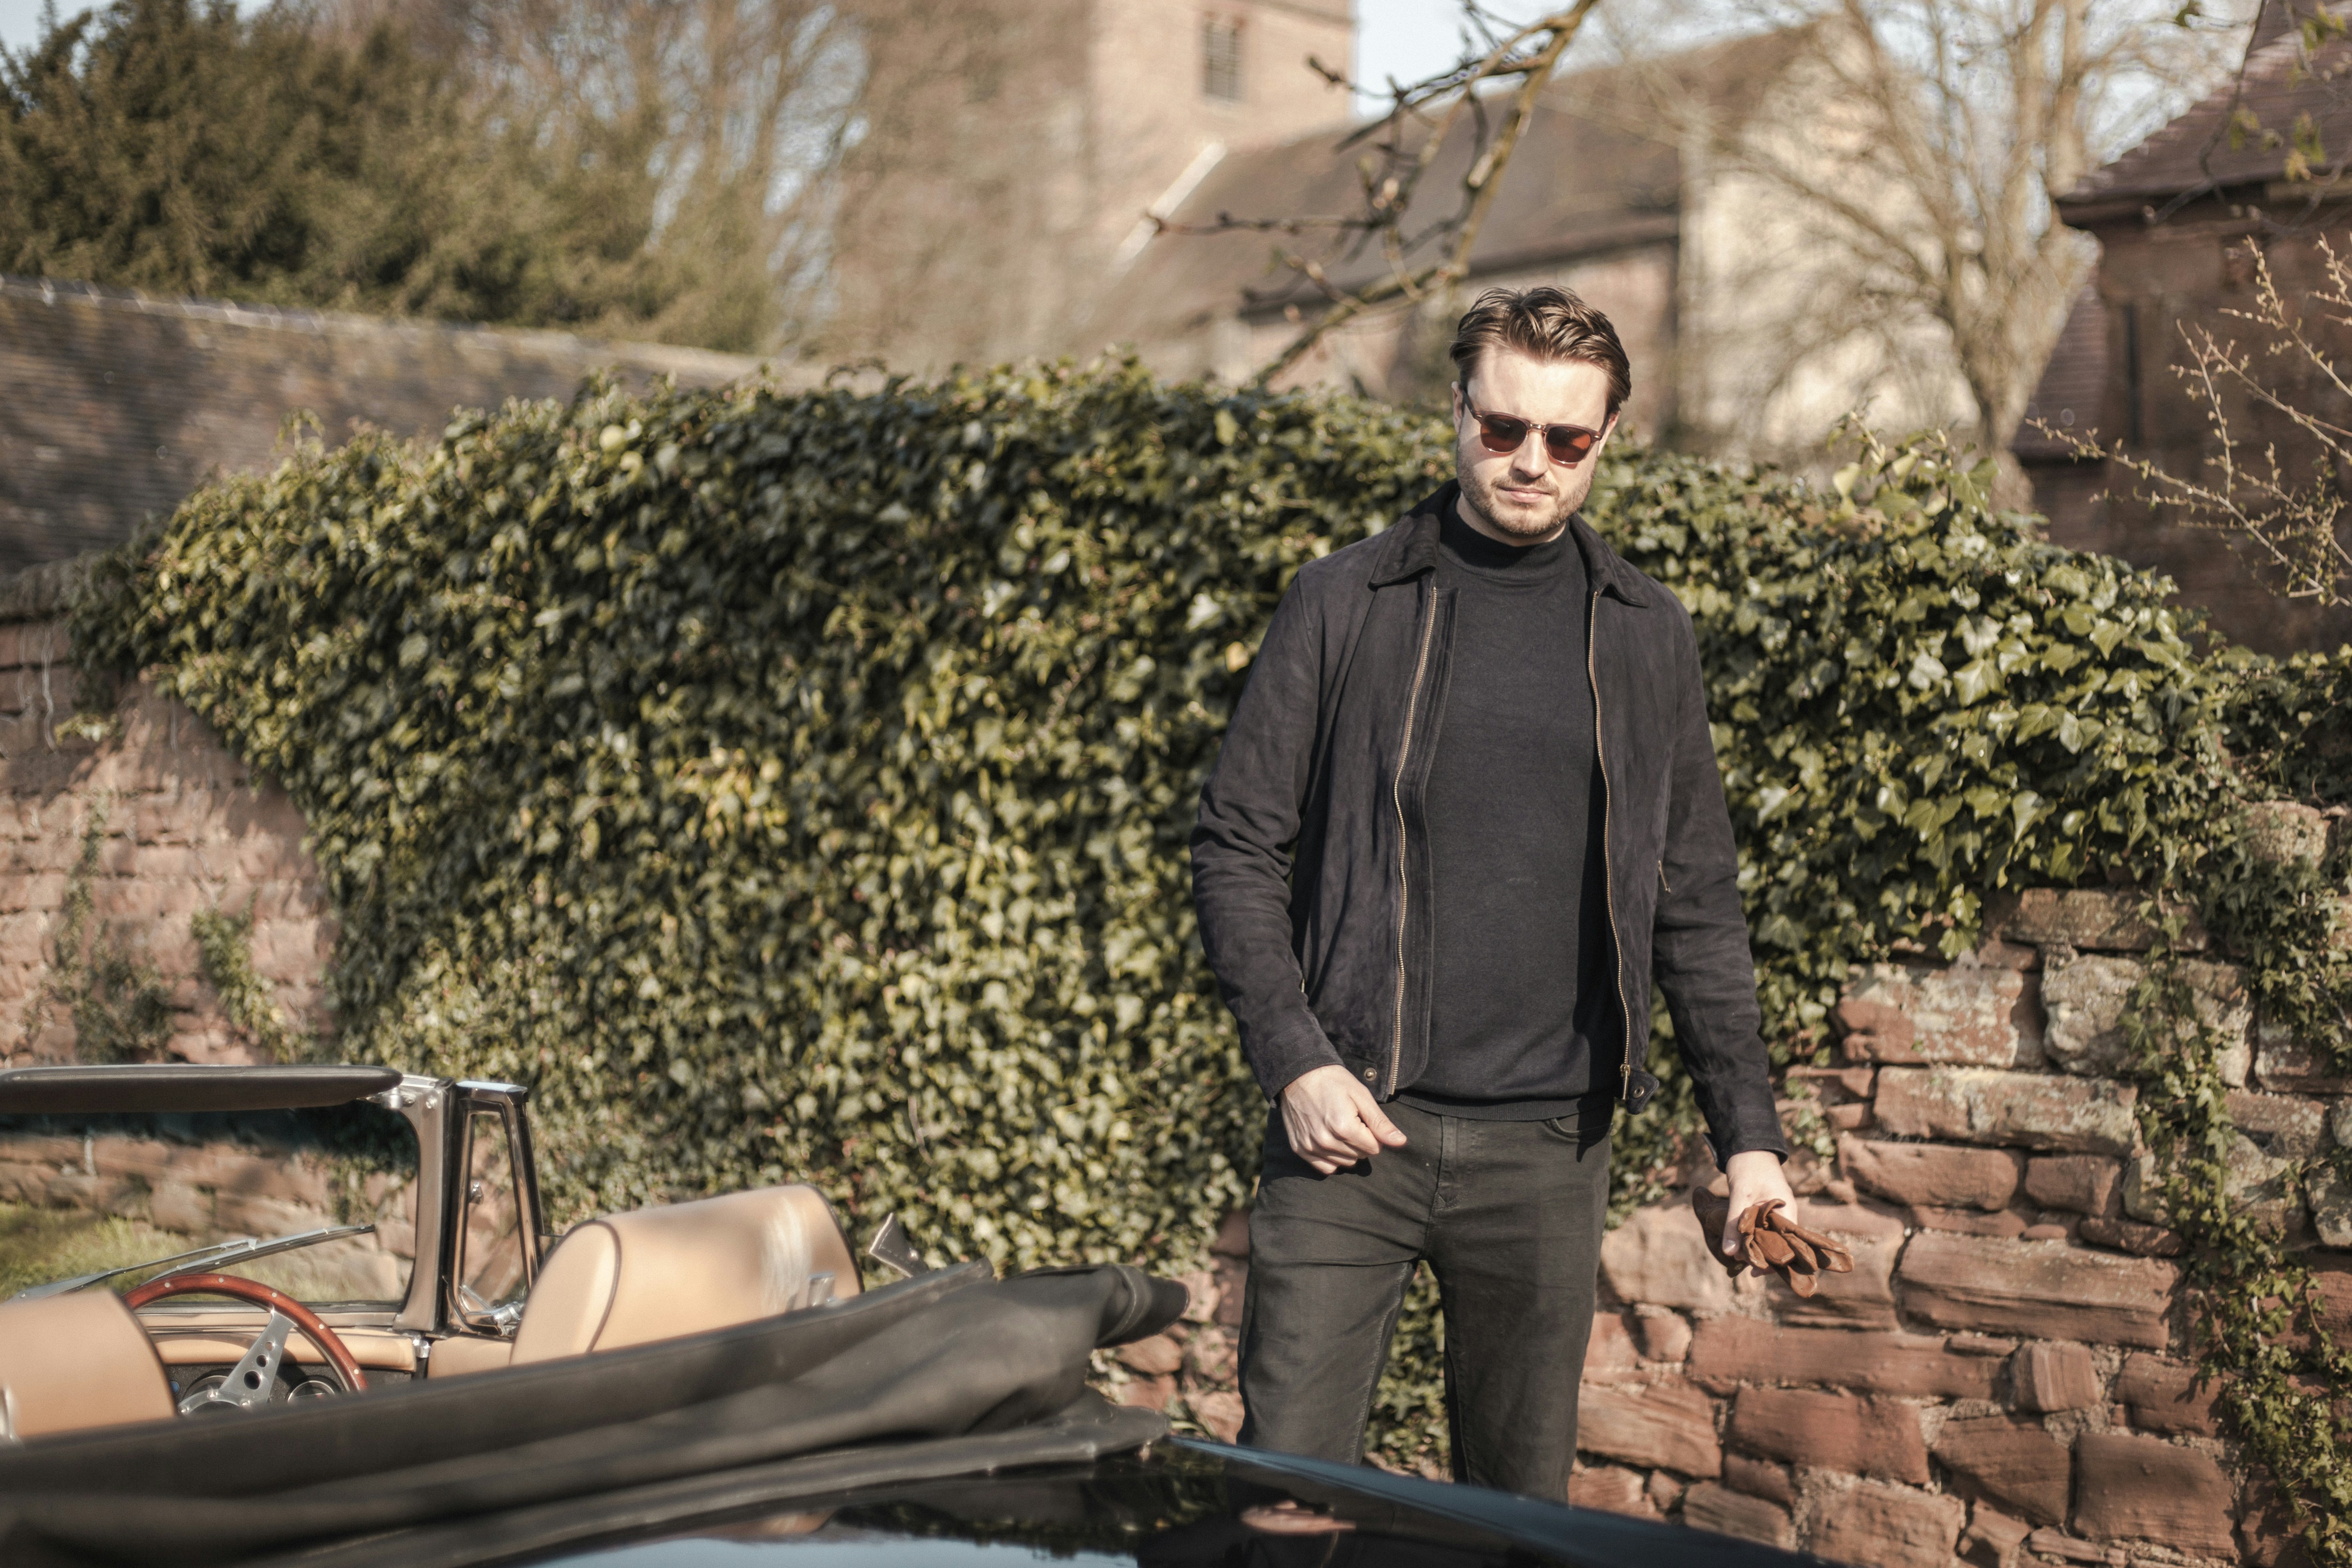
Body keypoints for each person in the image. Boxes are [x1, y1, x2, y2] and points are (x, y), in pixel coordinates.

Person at [1188, 284, 1791, 1500]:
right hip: (1351, 1138)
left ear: (1608, 440)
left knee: (1516, 1522)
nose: (1530, 462)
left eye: (1567, 440)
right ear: (1455, 412)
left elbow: (1697, 906)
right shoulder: (1343, 603)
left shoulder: (1644, 634)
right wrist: (1298, 1062)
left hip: (1546, 1156)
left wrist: (1754, 1142)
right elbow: (1234, 846)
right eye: (1502, 427)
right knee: (1283, 1502)